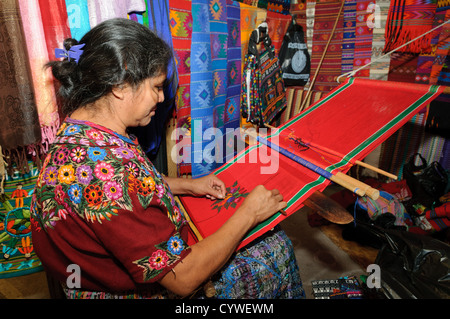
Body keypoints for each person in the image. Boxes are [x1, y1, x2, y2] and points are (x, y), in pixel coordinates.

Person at [30, 18, 305, 299]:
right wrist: (249, 213)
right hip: (133, 291)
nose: (161, 98)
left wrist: (187, 185)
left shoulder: (81, 133)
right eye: (157, 87)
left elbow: (133, 185)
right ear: (121, 85)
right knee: (275, 246)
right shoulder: (108, 177)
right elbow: (183, 278)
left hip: (92, 273)